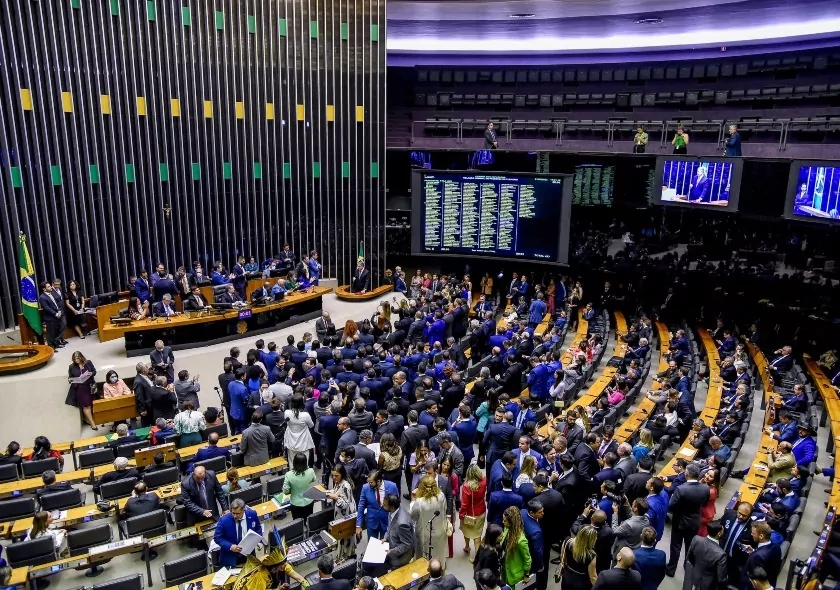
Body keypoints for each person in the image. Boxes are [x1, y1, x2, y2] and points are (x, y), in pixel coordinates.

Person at [666, 463, 710, 577]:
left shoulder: (681, 489)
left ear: (686, 474)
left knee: (676, 546)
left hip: (679, 521)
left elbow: (671, 505)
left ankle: (671, 569)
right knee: (690, 547)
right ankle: (687, 569)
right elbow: (704, 504)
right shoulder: (705, 488)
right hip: (695, 522)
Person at [214, 498, 264, 567]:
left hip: (249, 555)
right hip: (231, 558)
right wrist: (230, 546)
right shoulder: (224, 520)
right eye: (233, 513)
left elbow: (258, 529)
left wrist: (258, 541)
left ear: (244, 510)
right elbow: (217, 538)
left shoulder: (252, 514)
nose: (235, 516)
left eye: (237, 513)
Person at [410, 475, 448, 561]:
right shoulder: (441, 496)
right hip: (440, 531)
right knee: (439, 554)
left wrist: (413, 499)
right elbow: (445, 508)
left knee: (425, 557)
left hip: (425, 535)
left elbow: (413, 516)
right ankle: (439, 569)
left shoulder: (419, 502)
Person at [326, 463, 357, 562]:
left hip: (346, 514)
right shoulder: (338, 482)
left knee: (345, 537)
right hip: (340, 514)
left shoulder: (346, 486)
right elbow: (337, 491)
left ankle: (346, 556)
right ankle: (344, 555)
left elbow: (345, 505)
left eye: (336, 475)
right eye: (333, 475)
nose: (334, 478)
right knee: (342, 538)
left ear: (342, 475)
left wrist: (335, 497)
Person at [686, 519, 728, 590]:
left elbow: (689, 558)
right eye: (723, 530)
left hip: (694, 576)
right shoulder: (721, 554)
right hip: (708, 585)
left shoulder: (696, 539)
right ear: (719, 533)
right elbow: (721, 579)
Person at [741, 522, 780, 590]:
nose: (751, 534)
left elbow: (755, 580)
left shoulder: (757, 557)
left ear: (761, 536)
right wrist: (754, 551)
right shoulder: (776, 547)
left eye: (753, 533)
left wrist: (754, 554)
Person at [558, 524, 598, 590]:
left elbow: (562, 557)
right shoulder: (591, 555)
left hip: (567, 577)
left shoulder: (567, 541)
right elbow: (593, 576)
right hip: (581, 582)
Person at [460, 463, 487, 557]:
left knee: (466, 531)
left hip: (469, 513)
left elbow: (464, 504)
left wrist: (461, 514)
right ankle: (477, 554)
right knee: (477, 535)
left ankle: (467, 547)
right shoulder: (484, 481)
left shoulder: (467, 486)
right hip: (481, 511)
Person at [65, 351, 98, 430]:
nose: (77, 360)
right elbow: (70, 378)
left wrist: (91, 373)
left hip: (90, 386)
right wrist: (74, 380)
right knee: (86, 406)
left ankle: (87, 419)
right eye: (75, 359)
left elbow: (94, 371)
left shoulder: (88, 363)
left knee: (91, 404)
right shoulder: (71, 367)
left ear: (81, 357)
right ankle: (92, 423)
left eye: (78, 358)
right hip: (80, 389)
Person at [500, 505, 532, 587]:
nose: (502, 522)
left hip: (514, 575)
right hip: (504, 569)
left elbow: (527, 559)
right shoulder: (507, 529)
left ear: (512, 523)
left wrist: (526, 575)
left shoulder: (521, 540)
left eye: (505, 521)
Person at [283, 452, 317, 521]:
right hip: (309, 501)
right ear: (305, 462)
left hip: (296, 504)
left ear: (294, 462)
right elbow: (314, 479)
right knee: (308, 521)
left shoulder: (288, 475)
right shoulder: (311, 471)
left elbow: (285, 491)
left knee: (297, 524)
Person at [284, 394, 315, 464]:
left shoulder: (286, 413)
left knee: (292, 463)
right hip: (304, 442)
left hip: (291, 441)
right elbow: (311, 425)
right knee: (304, 462)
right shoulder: (305, 415)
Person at [474, 525, 504, 590]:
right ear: (494, 538)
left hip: (478, 572)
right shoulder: (491, 554)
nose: (502, 537)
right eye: (500, 536)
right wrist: (500, 583)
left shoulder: (483, 544)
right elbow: (488, 573)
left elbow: (476, 559)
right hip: (484, 580)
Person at [39, 281, 64, 349]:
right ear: (44, 289)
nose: (50, 287)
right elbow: (47, 308)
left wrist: (59, 311)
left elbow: (56, 303)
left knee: (56, 331)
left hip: (56, 316)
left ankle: (56, 345)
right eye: (48, 286)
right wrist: (55, 313)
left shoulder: (51, 294)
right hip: (50, 318)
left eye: (50, 286)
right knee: (50, 333)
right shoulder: (42, 297)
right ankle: (51, 347)